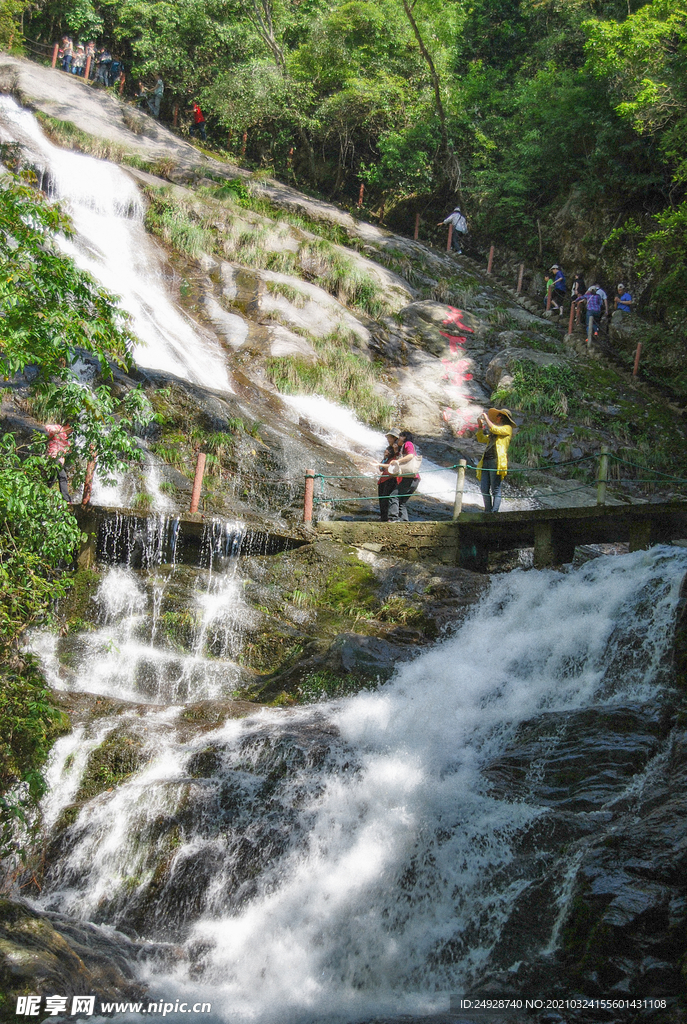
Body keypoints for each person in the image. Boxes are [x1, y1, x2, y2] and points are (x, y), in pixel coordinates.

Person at [476, 408, 516, 513]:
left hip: (496, 461)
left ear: (503, 418)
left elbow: (495, 429)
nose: (497, 418)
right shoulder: (494, 433)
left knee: (495, 489)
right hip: (486, 461)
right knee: (484, 489)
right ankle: (487, 511)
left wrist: (486, 419)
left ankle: (494, 512)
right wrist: (480, 426)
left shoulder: (507, 428)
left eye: (498, 416)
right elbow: (481, 439)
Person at [390, 430, 421, 522]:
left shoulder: (408, 444)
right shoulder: (403, 448)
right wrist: (396, 451)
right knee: (402, 501)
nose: (398, 439)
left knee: (393, 496)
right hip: (415, 479)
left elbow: (411, 455)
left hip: (409, 478)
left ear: (404, 437)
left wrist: (398, 461)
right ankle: (404, 520)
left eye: (400, 436)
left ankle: (393, 518)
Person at [376, 428, 401, 522]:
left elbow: (400, 460)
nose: (387, 439)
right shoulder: (388, 449)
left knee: (387, 498)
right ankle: (384, 518)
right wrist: (385, 457)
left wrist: (396, 451)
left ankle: (390, 518)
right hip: (384, 478)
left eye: (389, 437)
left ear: (394, 438)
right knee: (382, 499)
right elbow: (381, 468)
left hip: (392, 477)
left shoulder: (399, 449)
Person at [45, 422, 72, 502]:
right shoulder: (59, 428)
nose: (72, 431)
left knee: (52, 479)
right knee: (62, 477)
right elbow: (47, 427)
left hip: (60, 460)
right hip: (53, 456)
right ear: (68, 425)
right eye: (72, 428)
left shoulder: (68, 438)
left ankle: (43, 494)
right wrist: (57, 432)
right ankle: (66, 499)